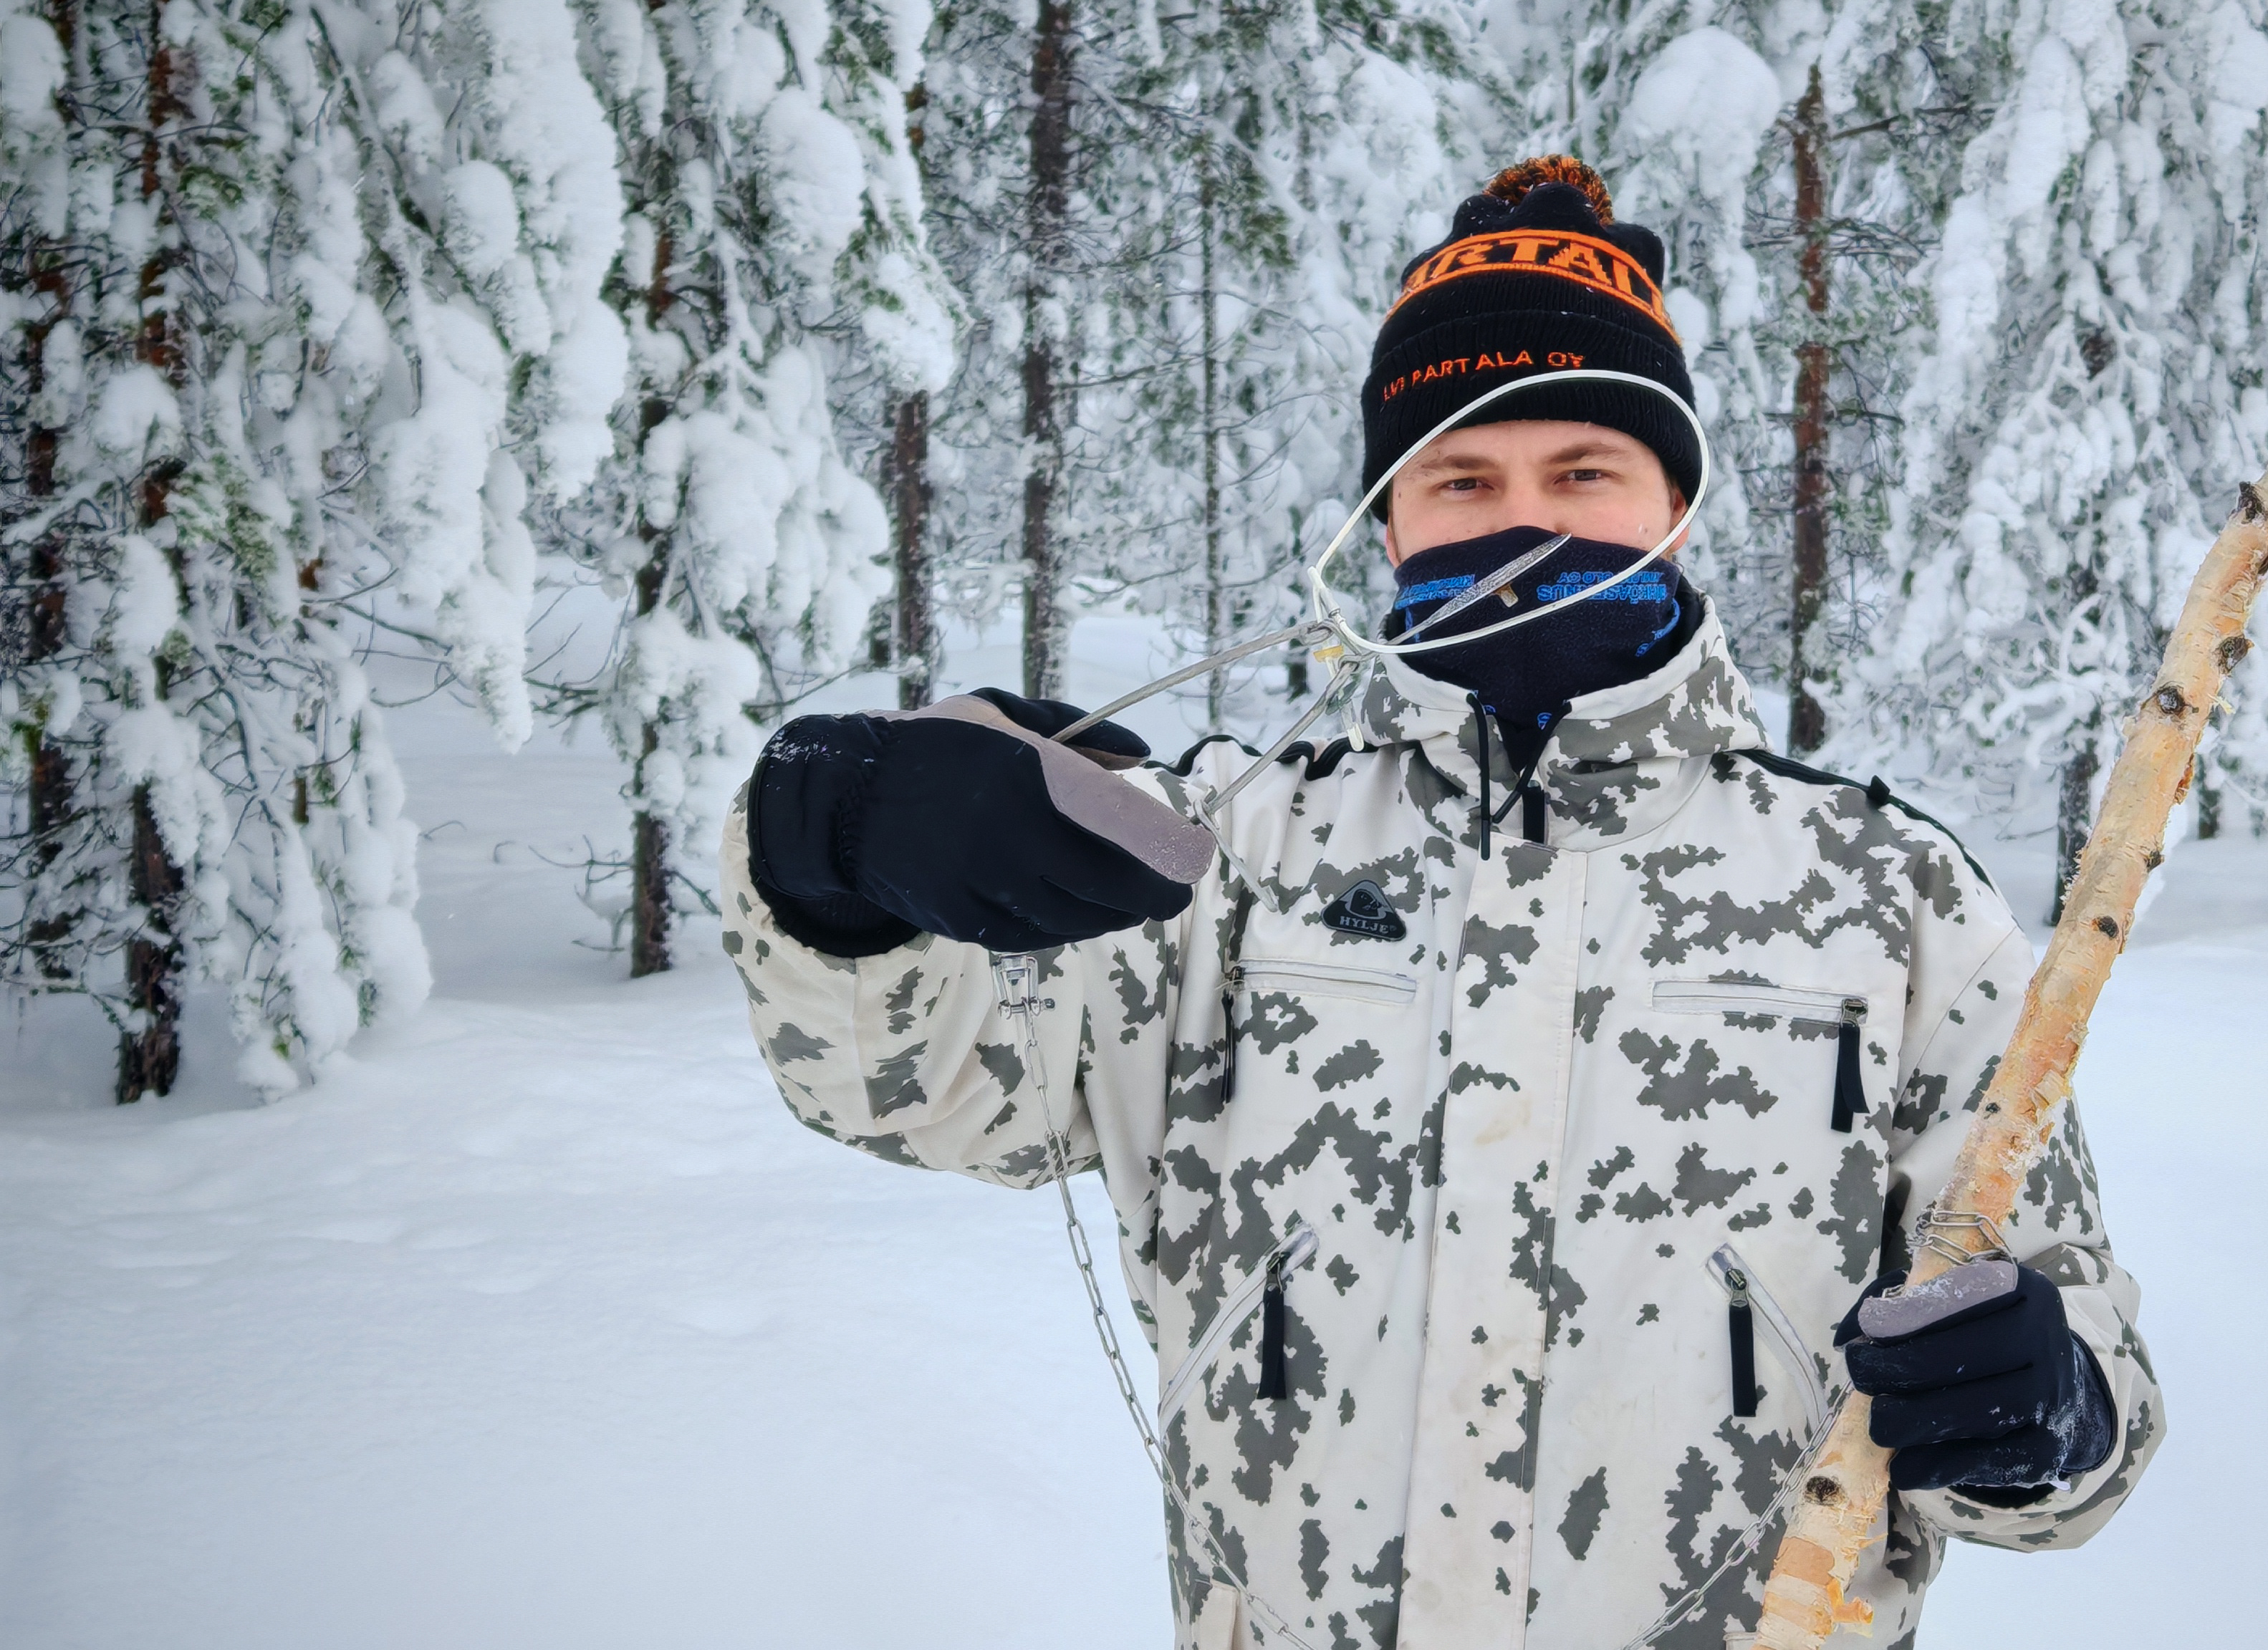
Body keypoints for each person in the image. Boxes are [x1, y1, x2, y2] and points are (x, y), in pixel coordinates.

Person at [721, 156, 2162, 1650]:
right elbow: (936, 1091)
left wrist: (2039, 1408)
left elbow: (2078, 1439)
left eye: (1582, 472)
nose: (1519, 522)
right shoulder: (1219, 854)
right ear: (1387, 523)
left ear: (1674, 502)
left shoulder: (1885, 894)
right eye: (1461, 479)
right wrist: (828, 861)